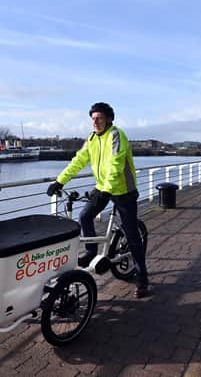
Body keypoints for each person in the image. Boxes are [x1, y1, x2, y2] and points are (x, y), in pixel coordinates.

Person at [46, 102, 150, 298]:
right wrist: (59, 182)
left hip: (123, 190)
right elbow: (78, 161)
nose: (95, 122)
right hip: (103, 188)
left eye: (99, 118)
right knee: (84, 216)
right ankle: (92, 252)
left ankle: (143, 278)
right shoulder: (92, 138)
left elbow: (116, 164)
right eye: (93, 118)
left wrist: (108, 189)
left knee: (132, 234)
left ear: (109, 119)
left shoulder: (116, 135)